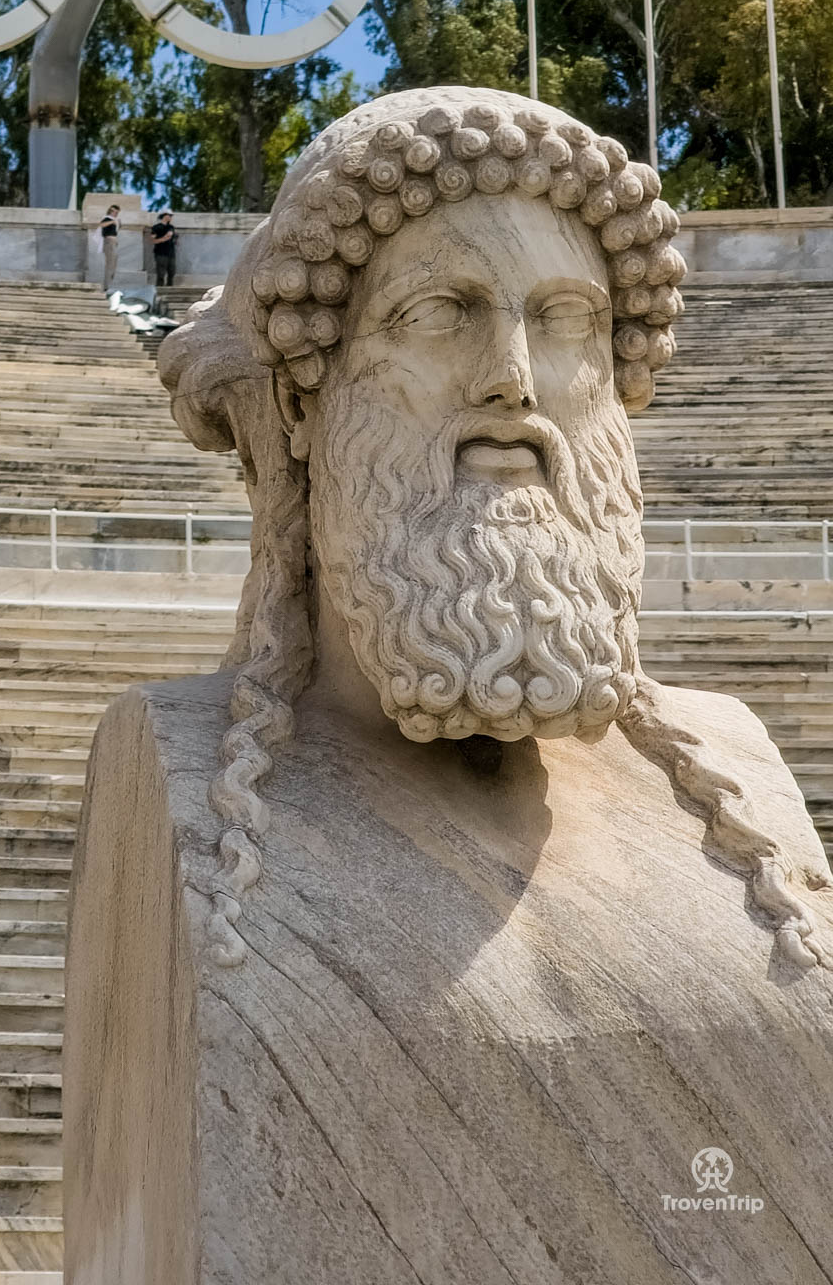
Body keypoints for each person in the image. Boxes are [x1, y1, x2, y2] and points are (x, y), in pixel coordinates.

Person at [64, 87, 833, 1285]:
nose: (511, 379)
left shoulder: (733, 778)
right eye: (441, 314)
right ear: (305, 402)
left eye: (565, 320)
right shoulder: (170, 778)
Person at [150, 210, 177, 287]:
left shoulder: (171, 227)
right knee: (161, 273)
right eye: (170, 215)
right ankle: (160, 290)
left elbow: (173, 237)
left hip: (171, 253)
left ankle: (170, 289)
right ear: (165, 215)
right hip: (160, 253)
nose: (171, 217)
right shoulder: (156, 227)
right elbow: (153, 240)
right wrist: (164, 238)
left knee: (172, 272)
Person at [98, 204, 120, 290]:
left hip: (113, 242)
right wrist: (112, 222)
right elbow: (101, 225)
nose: (116, 213)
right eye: (114, 211)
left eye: (117, 212)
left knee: (113, 264)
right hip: (109, 242)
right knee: (110, 264)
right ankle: (107, 286)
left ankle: (109, 284)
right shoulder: (107, 218)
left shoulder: (115, 220)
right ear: (110, 211)